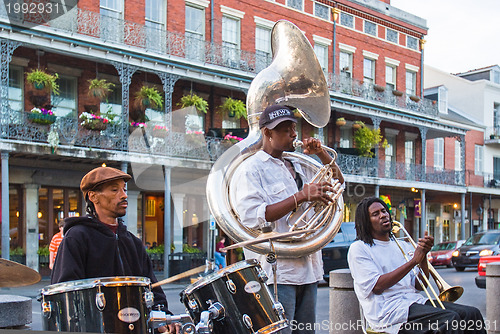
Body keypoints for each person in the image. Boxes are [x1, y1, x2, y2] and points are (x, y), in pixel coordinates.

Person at [234, 104, 344, 334]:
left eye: (294, 128)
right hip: (278, 272)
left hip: (310, 268)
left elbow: (339, 183)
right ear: (267, 132)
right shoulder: (251, 169)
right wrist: (302, 195)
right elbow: (254, 217)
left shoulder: (300, 163)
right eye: (285, 129)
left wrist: (322, 154)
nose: (294, 134)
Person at [51, 166, 178, 333]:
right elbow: (65, 295)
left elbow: (152, 288)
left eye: (124, 189)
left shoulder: (133, 242)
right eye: (114, 190)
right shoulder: (77, 237)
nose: (124, 195)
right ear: (93, 196)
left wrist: (163, 316)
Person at [348, 197, 486, 334]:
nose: (383, 215)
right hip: (388, 311)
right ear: (366, 222)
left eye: (384, 211)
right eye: (375, 214)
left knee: (471, 314)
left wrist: (423, 256)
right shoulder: (359, 248)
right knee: (450, 320)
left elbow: (420, 286)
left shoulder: (402, 244)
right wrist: (413, 261)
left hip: (413, 302)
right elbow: (377, 286)